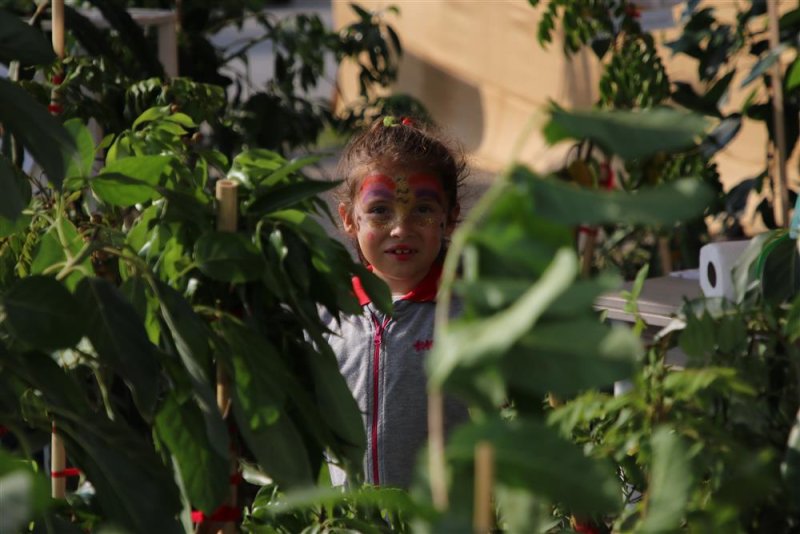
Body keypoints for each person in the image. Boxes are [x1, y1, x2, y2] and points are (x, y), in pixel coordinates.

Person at [321, 115, 469, 489]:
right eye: (380, 210)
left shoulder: (470, 315)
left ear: (450, 219)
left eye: (422, 209)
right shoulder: (328, 314)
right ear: (348, 219)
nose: (401, 228)